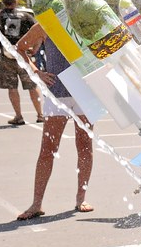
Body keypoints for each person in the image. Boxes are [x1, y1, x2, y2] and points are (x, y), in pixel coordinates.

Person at [14, 24, 94, 220]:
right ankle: (36, 203)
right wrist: (36, 72)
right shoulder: (46, 23)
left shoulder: (84, 19)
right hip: (57, 92)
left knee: (85, 145)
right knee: (48, 148)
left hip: (85, 91)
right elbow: (20, 48)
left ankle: (80, 198)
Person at [0, 0, 42, 125]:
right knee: (32, 85)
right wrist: (35, 48)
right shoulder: (26, 16)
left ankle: (19, 116)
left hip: (6, 54)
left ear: (3, 1)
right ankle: (40, 114)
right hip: (24, 54)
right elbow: (39, 31)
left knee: (12, 87)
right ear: (16, 1)